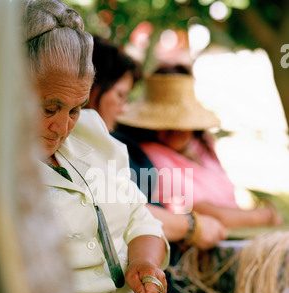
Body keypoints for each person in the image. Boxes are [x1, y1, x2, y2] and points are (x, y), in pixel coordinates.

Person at [22, 0, 247, 293]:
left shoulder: (93, 138)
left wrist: (145, 263)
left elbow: (141, 220)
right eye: (49, 108)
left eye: (75, 109)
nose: (62, 128)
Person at [87, 36, 227, 255]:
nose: (123, 109)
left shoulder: (202, 150)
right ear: (91, 88)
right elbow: (120, 210)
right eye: (120, 95)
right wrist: (192, 226)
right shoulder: (91, 150)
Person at [116, 72, 283, 231]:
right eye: (170, 124)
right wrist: (264, 216)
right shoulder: (152, 157)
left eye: (182, 124)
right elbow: (209, 214)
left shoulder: (199, 147)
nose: (179, 131)